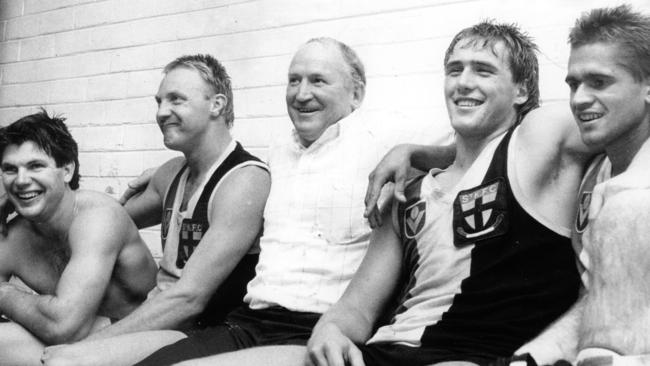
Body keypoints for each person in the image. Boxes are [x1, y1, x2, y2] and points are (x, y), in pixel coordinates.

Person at [118, 37, 449, 366]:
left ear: (356, 92)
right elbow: (225, 167)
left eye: (318, 80)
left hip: (320, 331)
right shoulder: (279, 153)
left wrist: (413, 152)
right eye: (294, 80)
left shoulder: (386, 134)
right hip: (249, 321)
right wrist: (171, 169)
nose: (302, 94)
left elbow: (472, 144)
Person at [361, 5, 650, 366]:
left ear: (521, 91)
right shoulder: (416, 186)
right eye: (573, 84)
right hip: (389, 346)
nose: (579, 99)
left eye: (483, 70)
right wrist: (415, 152)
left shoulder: (549, 136)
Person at [306, 20, 593, 366]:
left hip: (472, 355)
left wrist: (416, 151)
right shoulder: (408, 192)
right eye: (454, 70)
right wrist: (331, 330)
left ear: (521, 91)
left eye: (484, 71)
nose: (464, 83)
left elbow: (621, 112)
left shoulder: (537, 140)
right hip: (382, 352)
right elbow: (356, 309)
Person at [41, 54, 271, 366]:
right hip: (161, 320)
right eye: (159, 101)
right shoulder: (170, 174)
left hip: (205, 330)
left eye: (176, 100)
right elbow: (107, 220)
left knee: (64, 361)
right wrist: (18, 196)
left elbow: (188, 300)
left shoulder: (244, 180)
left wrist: (86, 346)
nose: (162, 112)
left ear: (217, 105)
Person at [0, 111, 157, 366]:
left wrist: (4, 293)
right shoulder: (13, 237)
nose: (21, 180)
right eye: (10, 169)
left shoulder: (98, 217)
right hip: (70, 347)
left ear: (67, 170)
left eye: (35, 166)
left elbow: (64, 325)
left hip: (140, 339)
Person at [564, 5, 650, 365]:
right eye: (573, 84)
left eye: (599, 82)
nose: (579, 98)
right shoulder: (596, 170)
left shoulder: (634, 197)